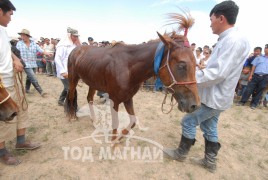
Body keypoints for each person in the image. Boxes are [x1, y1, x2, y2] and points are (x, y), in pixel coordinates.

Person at [163, 0, 250, 173]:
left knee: (188, 121)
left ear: (221, 19)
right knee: (209, 127)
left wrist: (190, 76)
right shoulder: (230, 39)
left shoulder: (232, 40)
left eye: (211, 19)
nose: (210, 23)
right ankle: (210, 162)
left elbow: (219, 73)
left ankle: (181, 153)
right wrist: (203, 68)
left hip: (215, 96)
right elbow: (219, 68)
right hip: (216, 95)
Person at [0, 0, 40, 166]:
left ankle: (21, 141)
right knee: (4, 117)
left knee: (22, 108)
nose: (10, 18)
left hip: (13, 79)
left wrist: (16, 59)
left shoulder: (2, 31)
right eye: (9, 14)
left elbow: (7, 51)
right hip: (2, 83)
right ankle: (2, 153)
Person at [16, 29, 52, 96]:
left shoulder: (34, 44)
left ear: (27, 36)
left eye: (23, 35)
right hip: (25, 64)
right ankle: (41, 91)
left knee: (29, 77)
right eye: (21, 35)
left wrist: (47, 53)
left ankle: (26, 89)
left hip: (33, 63)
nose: (22, 37)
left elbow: (40, 50)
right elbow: (16, 52)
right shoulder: (19, 43)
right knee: (32, 76)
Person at [54, 27, 81, 106]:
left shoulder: (74, 45)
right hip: (64, 71)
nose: (76, 38)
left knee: (68, 87)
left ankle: (61, 100)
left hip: (72, 71)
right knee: (70, 88)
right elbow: (57, 59)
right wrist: (62, 71)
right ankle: (72, 106)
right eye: (74, 36)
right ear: (69, 35)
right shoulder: (62, 45)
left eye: (77, 36)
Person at [237, 44, 268, 109]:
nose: (266, 49)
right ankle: (242, 101)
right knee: (249, 89)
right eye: (265, 48)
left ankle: (254, 104)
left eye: (267, 48)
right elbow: (253, 66)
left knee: (259, 91)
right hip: (255, 75)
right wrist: (251, 75)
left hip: (265, 77)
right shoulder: (259, 57)